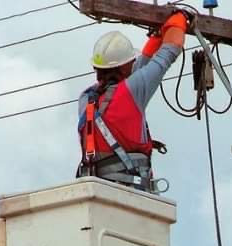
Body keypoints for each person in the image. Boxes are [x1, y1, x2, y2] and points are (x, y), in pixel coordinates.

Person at [76, 11, 188, 193]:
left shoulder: (86, 98)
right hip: (132, 192)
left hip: (97, 190)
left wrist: (159, 34)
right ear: (123, 66)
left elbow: (140, 67)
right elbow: (170, 50)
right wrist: (180, 19)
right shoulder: (132, 91)